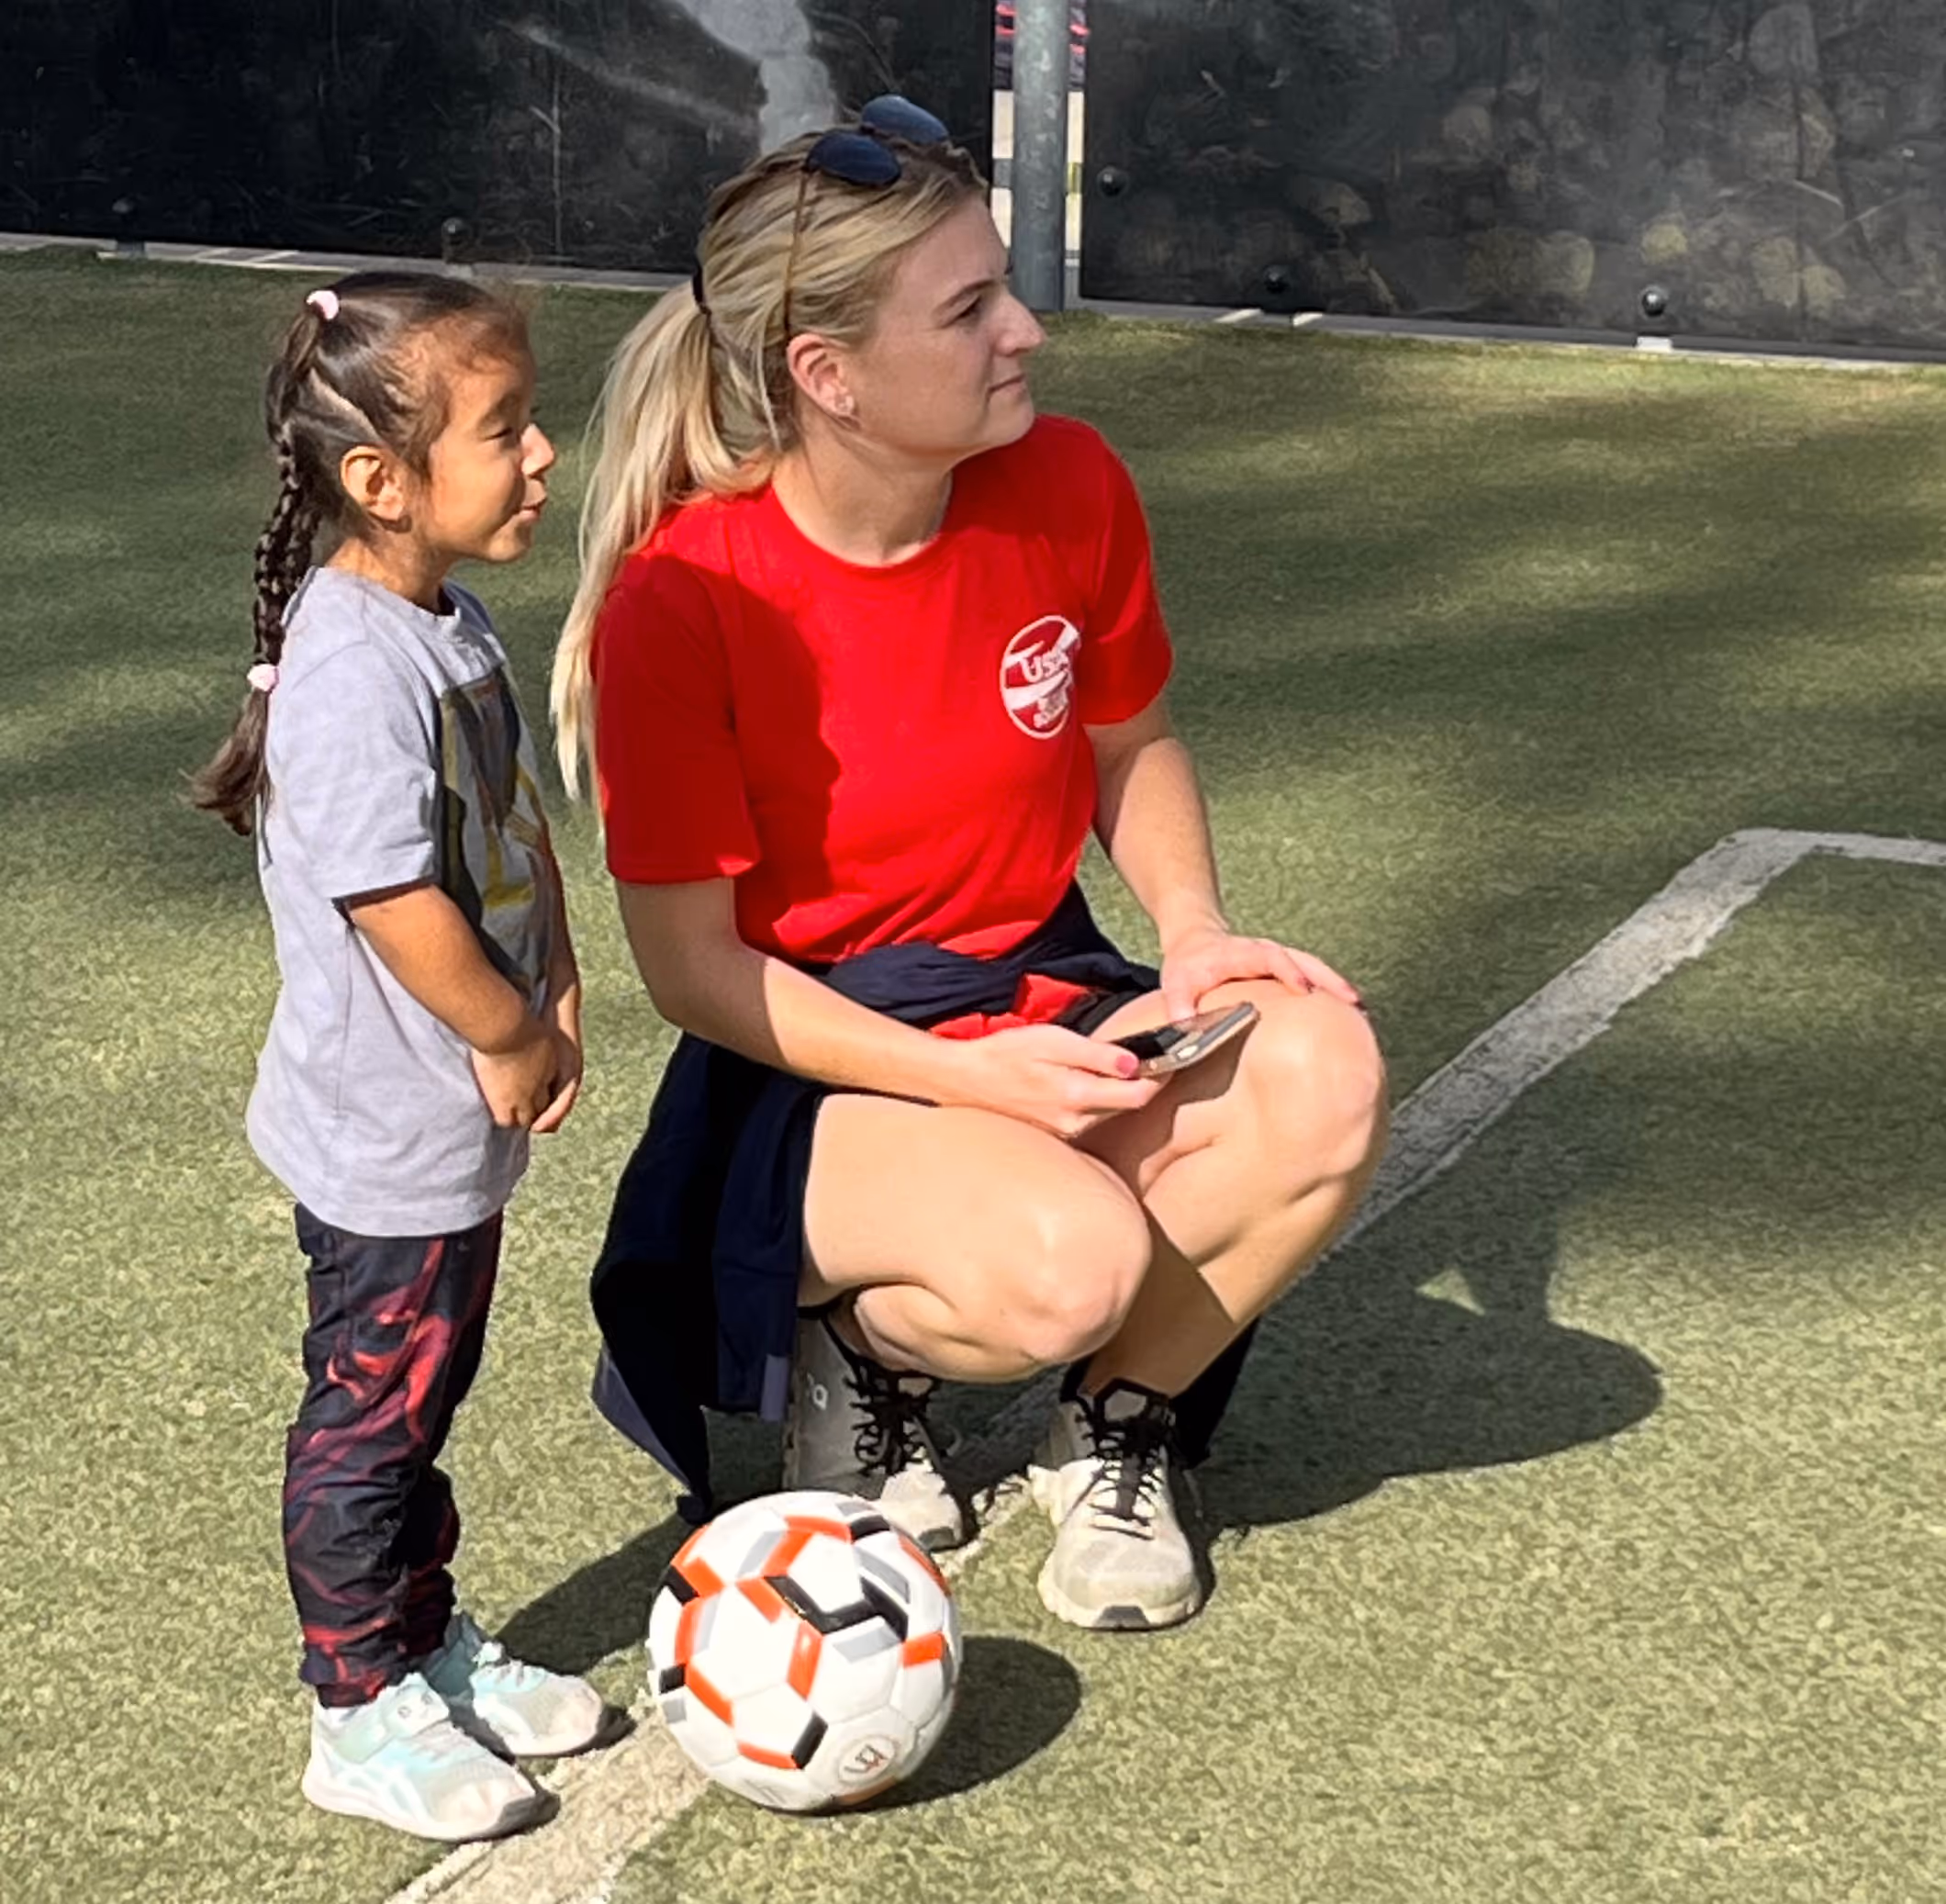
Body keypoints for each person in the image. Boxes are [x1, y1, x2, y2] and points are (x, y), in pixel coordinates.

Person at [555, 98, 1389, 1632]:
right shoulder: (683, 600)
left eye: (1004, 284)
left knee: (1325, 1070)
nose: (1028, 330)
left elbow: (1129, 745)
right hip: (811, 1056)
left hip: (1039, 986)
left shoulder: (1066, 483)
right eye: (970, 309)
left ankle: (1119, 1426)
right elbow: (694, 975)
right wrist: (981, 1085)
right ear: (829, 376)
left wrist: (1193, 935)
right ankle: (857, 1357)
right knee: (1066, 1261)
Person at [192, 273, 605, 1841]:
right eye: (505, 431)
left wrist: (557, 975)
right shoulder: (354, 664)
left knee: (426, 1398)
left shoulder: (446, 619)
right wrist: (501, 1025)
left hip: (454, 1123)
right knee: (370, 1417)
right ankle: (355, 1703)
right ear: (383, 479)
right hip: (388, 1138)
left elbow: (503, 824)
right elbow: (391, 897)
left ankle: (424, 1638)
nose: (543, 453)